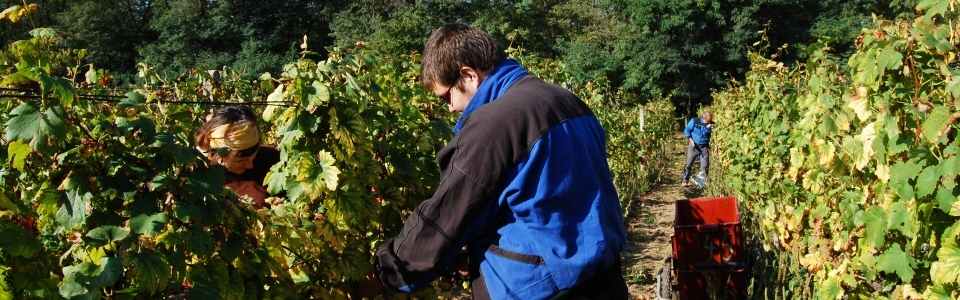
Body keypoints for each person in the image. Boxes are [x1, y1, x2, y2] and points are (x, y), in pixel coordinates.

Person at [373, 24, 628, 300]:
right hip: (603, 280)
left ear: (468, 75)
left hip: (540, 289)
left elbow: (448, 215)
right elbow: (547, 197)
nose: (450, 108)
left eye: (447, 96)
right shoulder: (569, 102)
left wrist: (391, 271)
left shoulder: (495, 124)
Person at [194, 106, 280, 208]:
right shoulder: (202, 178)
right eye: (241, 161)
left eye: (254, 156)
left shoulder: (272, 158)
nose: (250, 165)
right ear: (219, 154)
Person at [681, 111, 713, 187]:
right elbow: (687, 130)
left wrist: (709, 128)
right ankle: (685, 180)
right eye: (707, 121)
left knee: (705, 165)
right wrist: (691, 140)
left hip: (704, 146)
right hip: (693, 145)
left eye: (709, 121)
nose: (708, 122)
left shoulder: (710, 124)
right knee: (689, 164)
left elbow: (706, 134)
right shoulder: (694, 121)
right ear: (703, 118)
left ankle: (702, 183)